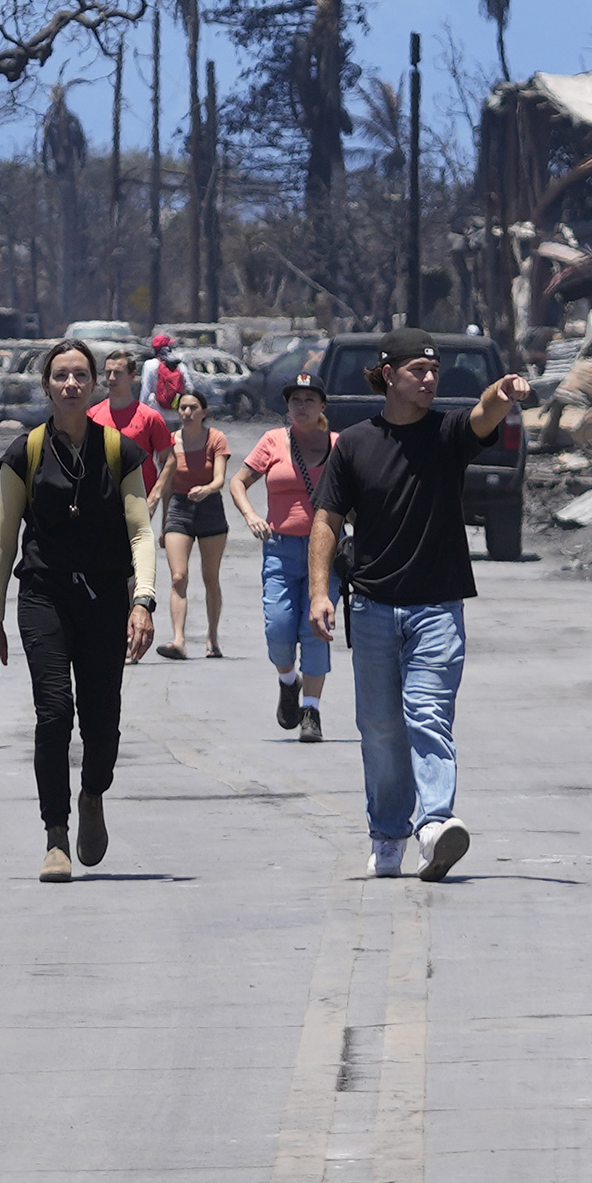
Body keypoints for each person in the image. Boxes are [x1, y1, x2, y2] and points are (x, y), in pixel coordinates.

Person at [310, 327, 532, 881]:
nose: (431, 380)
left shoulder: (447, 432)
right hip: (374, 608)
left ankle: (435, 824)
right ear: (389, 375)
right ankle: (388, 833)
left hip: (437, 608)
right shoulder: (355, 444)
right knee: (381, 729)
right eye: (418, 371)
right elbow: (326, 522)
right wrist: (319, 591)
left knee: (427, 714)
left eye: (435, 371)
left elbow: (481, 415)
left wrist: (501, 393)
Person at [0, 339, 162, 883]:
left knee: (102, 720)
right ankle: (55, 834)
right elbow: (4, 539)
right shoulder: (24, 453)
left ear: (95, 384)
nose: (71, 385)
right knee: (54, 711)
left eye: (80, 376)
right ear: (47, 386)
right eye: (61, 376)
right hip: (44, 597)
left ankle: (92, 793)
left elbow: (140, 531)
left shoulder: (119, 451)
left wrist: (143, 601)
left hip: (105, 600)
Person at [237, 377, 338, 742]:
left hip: (324, 552)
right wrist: (251, 516)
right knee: (278, 627)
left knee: (315, 631)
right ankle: (287, 681)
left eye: (309, 399)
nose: (301, 406)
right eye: (295, 399)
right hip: (280, 548)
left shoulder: (337, 445)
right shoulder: (272, 441)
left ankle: (312, 711)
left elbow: (358, 492)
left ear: (322, 406)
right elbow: (238, 482)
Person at [155, 385, 234, 662]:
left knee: (210, 577)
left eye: (193, 408)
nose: (187, 413)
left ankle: (212, 637)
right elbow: (164, 486)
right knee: (178, 577)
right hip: (179, 507)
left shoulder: (216, 439)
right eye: (183, 408)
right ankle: (178, 640)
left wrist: (207, 488)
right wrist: (164, 524)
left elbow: (220, 478)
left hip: (210, 508)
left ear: (204, 412)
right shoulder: (170, 441)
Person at [90, 347, 175, 499]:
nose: (111, 378)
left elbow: (170, 459)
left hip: (139, 500)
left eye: (118, 373)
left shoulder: (149, 417)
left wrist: (155, 495)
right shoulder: (92, 415)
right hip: (102, 500)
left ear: (132, 376)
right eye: (108, 372)